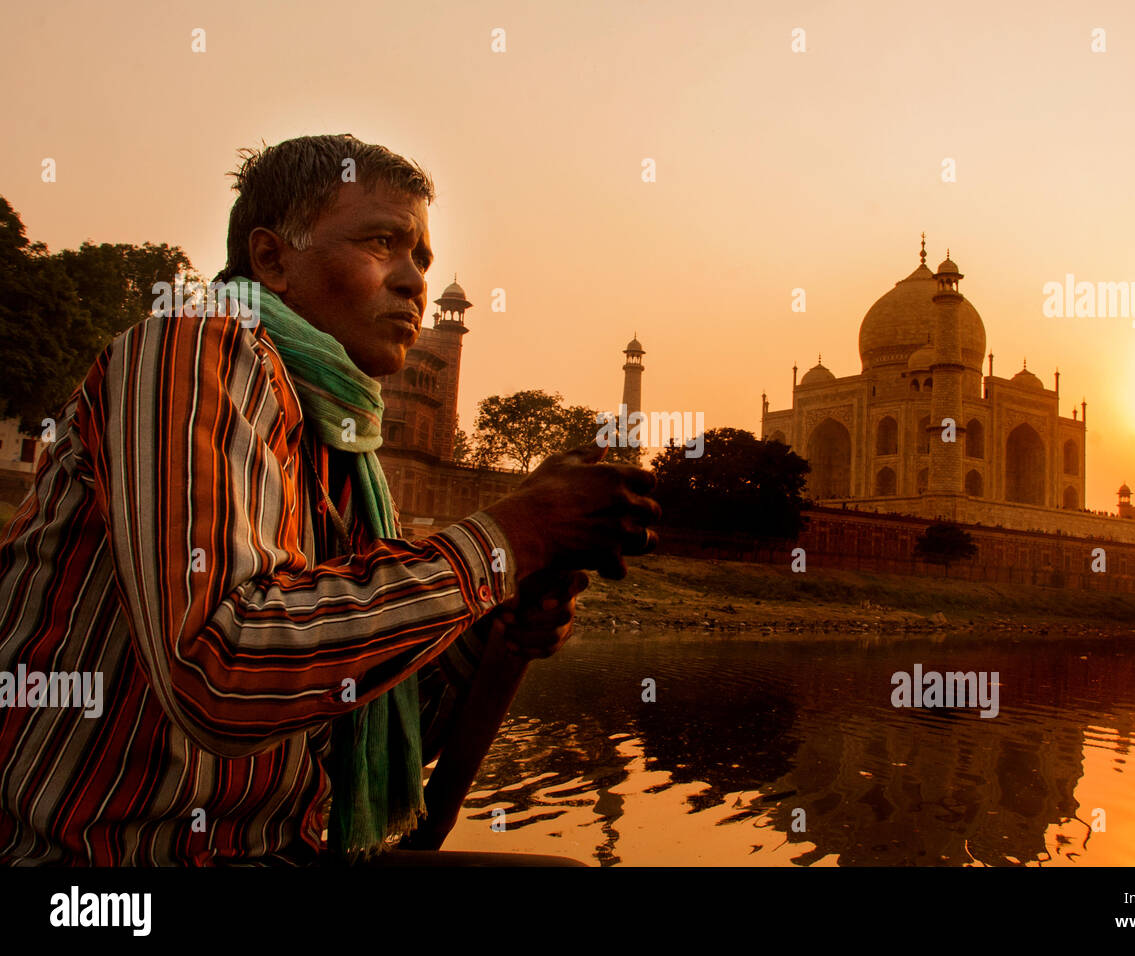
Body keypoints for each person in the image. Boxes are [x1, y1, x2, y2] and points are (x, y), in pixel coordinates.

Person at [0, 133, 659, 865]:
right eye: (384, 243)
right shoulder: (190, 351)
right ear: (273, 258)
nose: (413, 281)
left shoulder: (344, 450)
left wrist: (496, 619)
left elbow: (363, 721)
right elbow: (220, 670)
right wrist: (511, 536)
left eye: (422, 261)